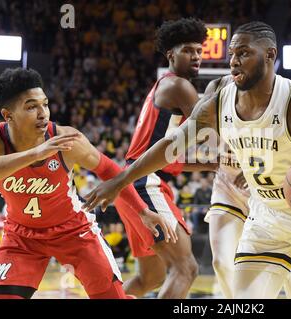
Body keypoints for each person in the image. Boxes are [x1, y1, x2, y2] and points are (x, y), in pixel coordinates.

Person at [83, 21, 291, 299]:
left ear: (270, 55)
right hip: (265, 216)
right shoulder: (217, 100)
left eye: (245, 53)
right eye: (232, 55)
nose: (235, 62)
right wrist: (120, 180)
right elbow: (170, 145)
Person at [0, 68, 175, 299]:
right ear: (8, 115)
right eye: (31, 107)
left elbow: (110, 170)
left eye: (45, 104)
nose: (43, 113)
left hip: (74, 232)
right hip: (21, 236)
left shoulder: (66, 139)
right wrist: (36, 154)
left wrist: (143, 211)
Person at [107, 18, 208, 299]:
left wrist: (213, 164)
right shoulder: (180, 87)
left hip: (135, 185)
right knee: (185, 268)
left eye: (199, 50)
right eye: (189, 50)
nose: (196, 56)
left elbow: (163, 156)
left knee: (149, 278)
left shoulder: (162, 86)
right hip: (147, 185)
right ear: (171, 55)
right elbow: (212, 130)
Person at [203, 76, 291, 299]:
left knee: (282, 266)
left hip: (264, 190)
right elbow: (203, 141)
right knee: (220, 262)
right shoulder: (217, 88)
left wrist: (249, 169)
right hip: (227, 187)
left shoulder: (272, 97)